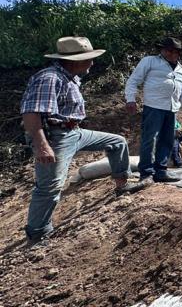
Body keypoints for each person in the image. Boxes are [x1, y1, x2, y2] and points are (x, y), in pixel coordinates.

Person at [21, 37, 149, 246]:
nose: (92, 63)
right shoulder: (49, 78)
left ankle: (122, 184)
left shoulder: (69, 77)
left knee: (117, 142)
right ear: (73, 60)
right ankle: (37, 233)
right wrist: (42, 145)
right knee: (50, 186)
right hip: (55, 136)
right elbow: (31, 113)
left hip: (74, 131)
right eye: (88, 59)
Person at [125, 37, 182, 184]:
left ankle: (161, 171)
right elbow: (134, 80)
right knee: (149, 139)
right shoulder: (150, 61)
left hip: (172, 109)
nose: (168, 53)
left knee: (167, 140)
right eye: (166, 50)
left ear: (178, 53)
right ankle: (146, 173)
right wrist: (130, 99)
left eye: (173, 51)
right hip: (153, 107)